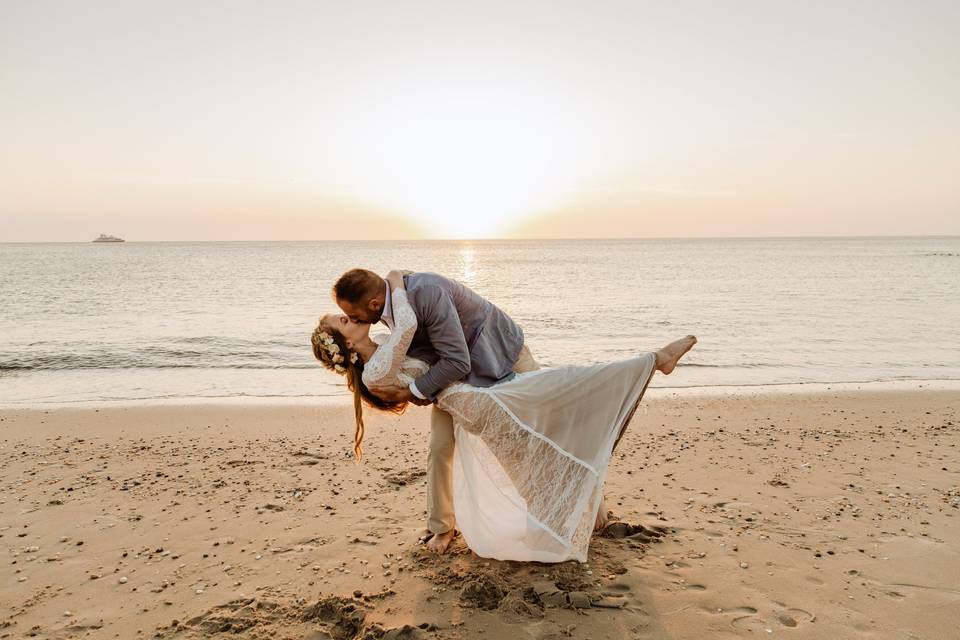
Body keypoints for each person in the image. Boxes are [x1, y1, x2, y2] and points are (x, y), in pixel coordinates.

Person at [312, 269, 697, 562]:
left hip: (497, 358)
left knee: (552, 420)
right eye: (344, 318)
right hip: (456, 389)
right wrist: (396, 280)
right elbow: (418, 351)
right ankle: (442, 528)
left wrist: (415, 391)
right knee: (446, 448)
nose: (352, 317)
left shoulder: (417, 299)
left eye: (348, 313)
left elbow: (450, 357)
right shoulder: (387, 324)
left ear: (373, 305)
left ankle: (593, 506)